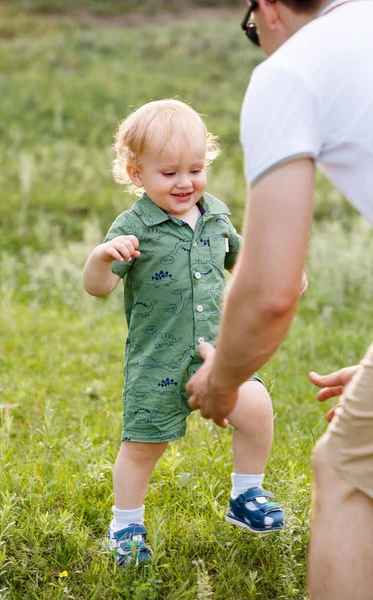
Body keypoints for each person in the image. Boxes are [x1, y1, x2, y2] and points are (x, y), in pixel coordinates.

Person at [186, 0, 373, 598]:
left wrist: (221, 384)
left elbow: (270, 290)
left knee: (345, 475)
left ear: (267, 9)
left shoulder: (290, 70)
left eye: (250, 31)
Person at [82, 99, 307, 566]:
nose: (185, 182)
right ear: (137, 173)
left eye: (195, 168)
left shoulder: (216, 217)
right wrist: (102, 257)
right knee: (143, 445)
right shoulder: (133, 227)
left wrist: (281, 274)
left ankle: (246, 494)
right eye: (169, 173)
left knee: (257, 406)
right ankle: (126, 525)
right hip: (158, 359)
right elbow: (98, 289)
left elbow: (245, 264)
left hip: (219, 354)